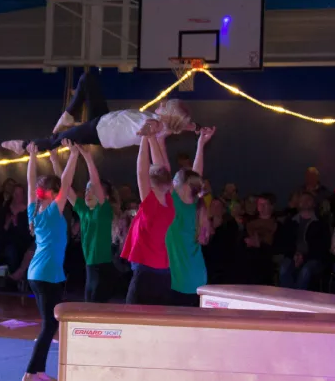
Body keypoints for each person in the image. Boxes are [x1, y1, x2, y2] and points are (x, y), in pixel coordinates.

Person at [1, 71, 202, 155]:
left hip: (99, 132)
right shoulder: (165, 125)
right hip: (103, 119)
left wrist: (152, 130)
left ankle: (24, 146)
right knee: (87, 79)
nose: (161, 104)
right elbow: (180, 126)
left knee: (59, 139)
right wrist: (193, 127)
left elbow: (155, 130)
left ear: (167, 116)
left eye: (165, 107)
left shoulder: (156, 125)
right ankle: (69, 114)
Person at [23, 139, 79, 381]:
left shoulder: (34, 211)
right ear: (55, 194)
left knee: (50, 324)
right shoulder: (52, 211)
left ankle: (38, 371)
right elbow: (66, 183)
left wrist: (32, 157)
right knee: (49, 325)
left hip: (43, 273)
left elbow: (30, 182)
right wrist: (73, 155)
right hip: (44, 274)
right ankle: (31, 373)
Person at [49, 144, 116, 303]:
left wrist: (87, 157)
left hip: (103, 270)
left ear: (105, 197)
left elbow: (95, 182)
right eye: (86, 190)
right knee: (89, 309)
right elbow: (65, 186)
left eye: (92, 190)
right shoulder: (84, 211)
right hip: (90, 269)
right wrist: (54, 160)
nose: (88, 192)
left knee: (96, 311)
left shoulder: (103, 211)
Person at [121, 131, 176, 305]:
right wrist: (152, 138)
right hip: (165, 272)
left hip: (146, 272)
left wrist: (145, 138)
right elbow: (162, 169)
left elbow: (141, 172)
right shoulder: (170, 202)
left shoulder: (151, 205)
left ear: (150, 184)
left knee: (133, 316)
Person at [164, 128, 215, 306]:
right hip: (198, 279)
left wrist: (157, 140)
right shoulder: (195, 205)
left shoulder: (174, 204)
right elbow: (196, 176)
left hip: (178, 282)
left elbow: (162, 165)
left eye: (174, 180)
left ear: (180, 185)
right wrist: (200, 144)